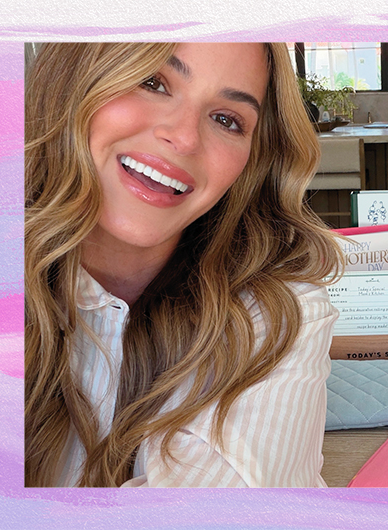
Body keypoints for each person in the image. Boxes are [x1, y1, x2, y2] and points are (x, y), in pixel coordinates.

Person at [24, 43, 343, 487]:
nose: (186, 137)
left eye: (226, 119)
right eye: (152, 82)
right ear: (72, 81)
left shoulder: (278, 312)